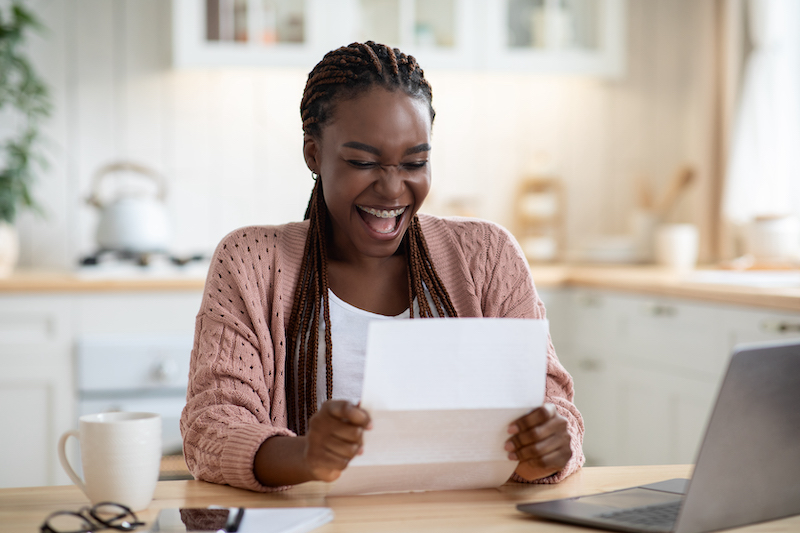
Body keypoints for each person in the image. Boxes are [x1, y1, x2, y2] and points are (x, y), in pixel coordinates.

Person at [180, 41, 584, 492]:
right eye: (363, 162)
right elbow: (211, 426)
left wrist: (544, 450)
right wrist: (305, 455)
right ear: (313, 154)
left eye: (415, 162)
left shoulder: (487, 254)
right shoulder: (251, 261)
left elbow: (553, 404)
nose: (393, 190)